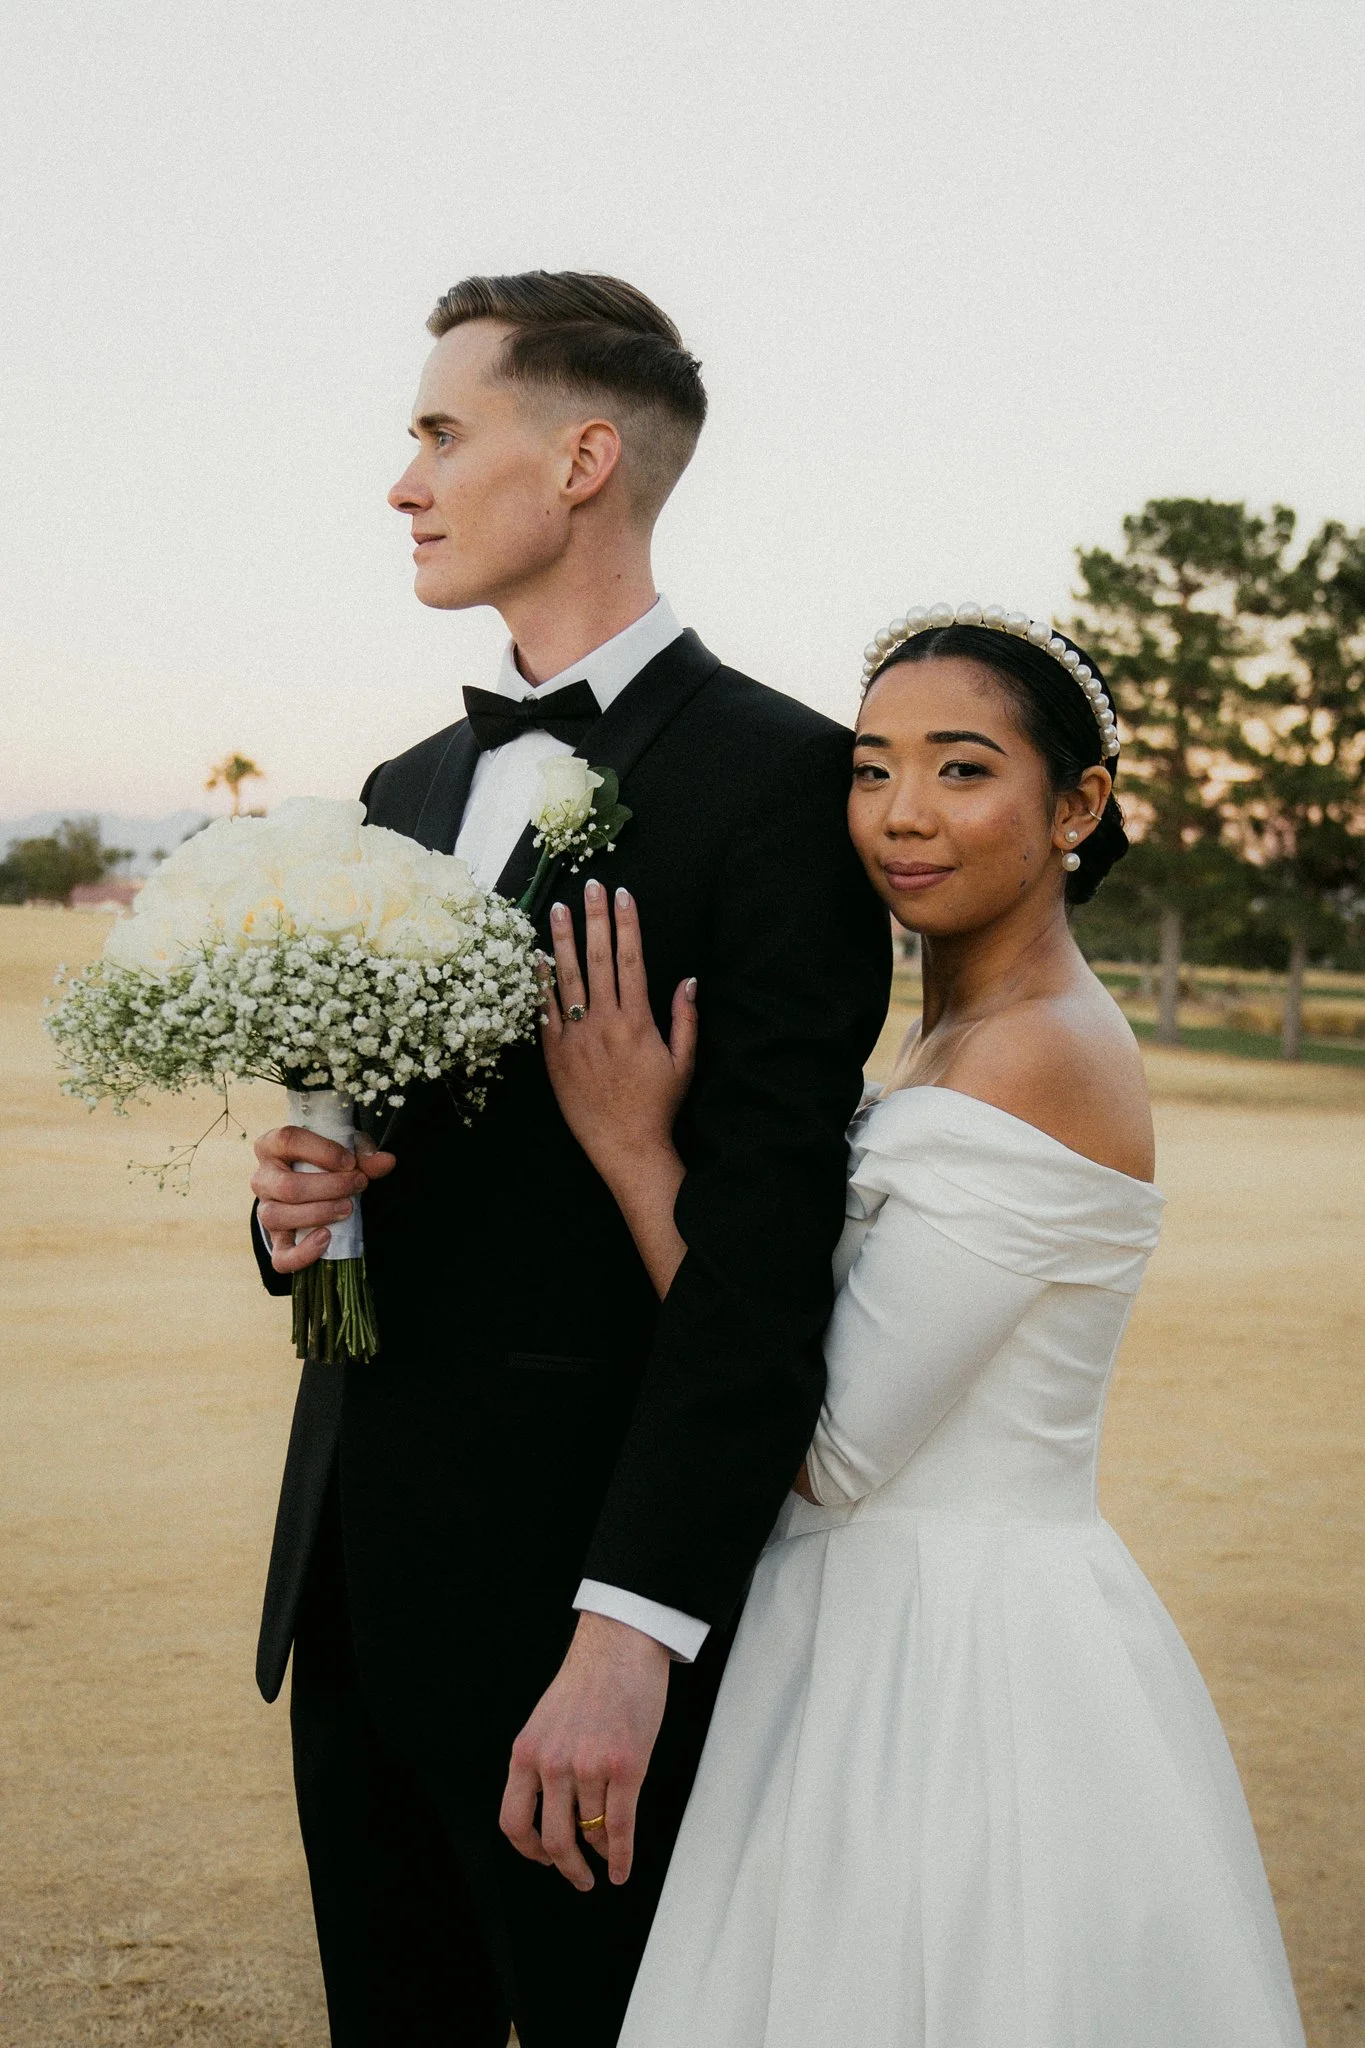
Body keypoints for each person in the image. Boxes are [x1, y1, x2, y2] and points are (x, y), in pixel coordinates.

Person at [244, 271, 891, 2046]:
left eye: (443, 434)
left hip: (577, 1616)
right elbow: (388, 1170)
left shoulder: (779, 790)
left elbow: (765, 1271)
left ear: (586, 456)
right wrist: (299, 1208)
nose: (405, 483)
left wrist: (632, 1632)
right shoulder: (399, 788)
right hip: (358, 1591)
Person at [540, 606, 1307, 2046]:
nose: (902, 816)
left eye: (963, 771)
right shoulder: (952, 1030)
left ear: (1077, 803)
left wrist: (639, 1149)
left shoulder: (1039, 1055)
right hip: (854, 1619)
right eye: (871, 767)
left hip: (959, 1658)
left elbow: (827, 1448)